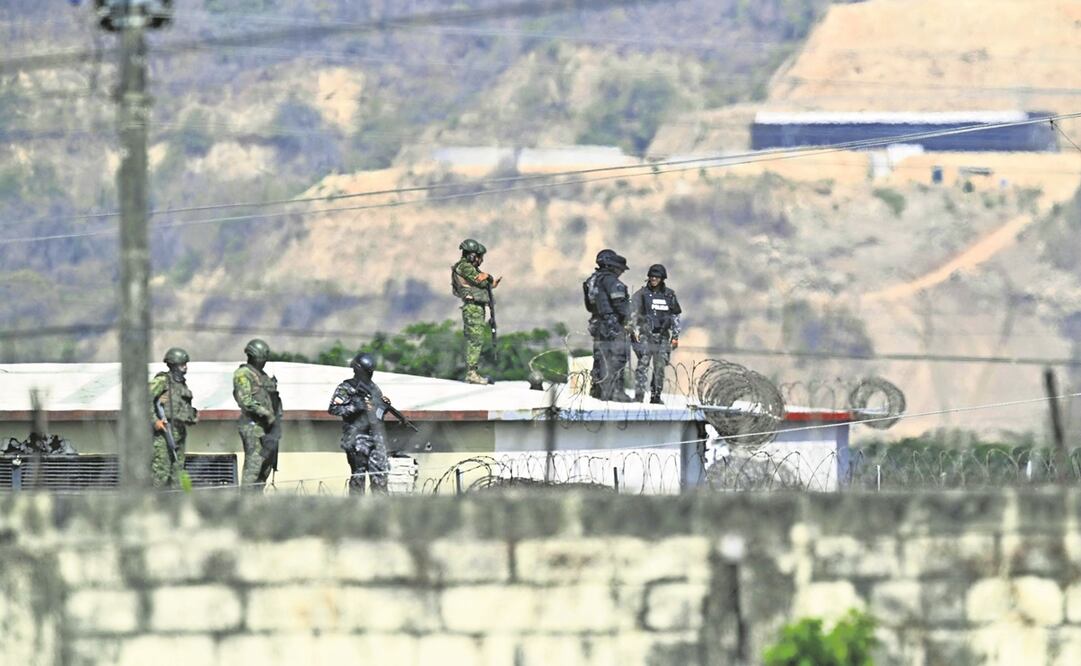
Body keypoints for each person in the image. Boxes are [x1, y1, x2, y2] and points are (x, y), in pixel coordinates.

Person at [327, 352, 397, 495]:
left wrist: (382, 406)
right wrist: (357, 406)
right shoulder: (346, 387)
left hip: (375, 438)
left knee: (380, 477)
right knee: (359, 478)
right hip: (356, 437)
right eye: (367, 371)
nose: (369, 375)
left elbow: (377, 415)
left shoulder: (374, 388)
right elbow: (334, 409)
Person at [583, 249, 634, 402]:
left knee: (600, 358)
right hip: (613, 324)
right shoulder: (611, 281)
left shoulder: (591, 281)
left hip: (597, 324)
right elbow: (620, 304)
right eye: (619, 269)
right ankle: (615, 392)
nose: (621, 272)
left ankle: (598, 390)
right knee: (618, 357)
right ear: (611, 266)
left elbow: (589, 306)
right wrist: (630, 316)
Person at [232, 338, 282, 490]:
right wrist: (266, 413)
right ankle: (246, 500)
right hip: (253, 426)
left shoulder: (263, 376)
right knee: (254, 467)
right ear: (254, 356)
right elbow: (245, 400)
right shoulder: (243, 374)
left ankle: (257, 500)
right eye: (262, 358)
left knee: (266, 468)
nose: (264, 362)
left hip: (269, 428)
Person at [451, 238, 501, 384]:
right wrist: (487, 277)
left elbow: (485, 282)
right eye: (479, 256)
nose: (481, 260)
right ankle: (471, 373)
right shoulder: (464, 267)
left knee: (476, 339)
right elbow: (481, 280)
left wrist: (490, 280)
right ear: (472, 255)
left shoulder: (470, 268)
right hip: (472, 308)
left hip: (476, 307)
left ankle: (472, 371)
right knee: (475, 340)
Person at [632, 264, 682, 404]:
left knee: (659, 367)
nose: (654, 279)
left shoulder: (669, 295)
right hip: (645, 335)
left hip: (663, 336)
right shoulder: (641, 294)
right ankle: (638, 397)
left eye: (657, 277)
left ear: (662, 278)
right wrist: (633, 330)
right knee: (642, 365)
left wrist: (675, 336)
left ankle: (656, 396)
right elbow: (632, 313)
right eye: (652, 276)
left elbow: (675, 316)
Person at [149, 347, 198, 487]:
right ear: (173, 365)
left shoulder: (181, 385)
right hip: (164, 432)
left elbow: (180, 406)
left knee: (178, 473)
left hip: (180, 432)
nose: (185, 367)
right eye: (182, 364)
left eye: (185, 364)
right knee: (161, 473)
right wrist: (155, 421)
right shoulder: (162, 381)